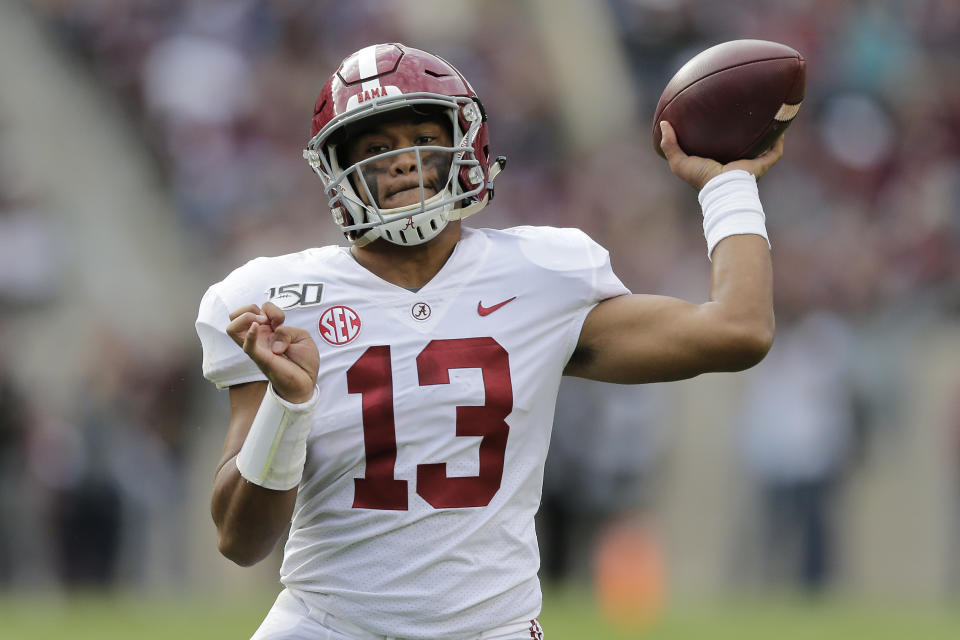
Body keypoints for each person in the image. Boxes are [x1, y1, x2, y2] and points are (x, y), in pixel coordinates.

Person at [195, 43, 782, 640]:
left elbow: (738, 331)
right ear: (337, 169)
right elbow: (241, 542)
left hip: (490, 627)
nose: (401, 162)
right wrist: (288, 409)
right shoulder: (279, 299)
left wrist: (726, 186)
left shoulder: (542, 276)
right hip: (328, 624)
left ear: (463, 143)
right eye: (375, 150)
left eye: (420, 136)